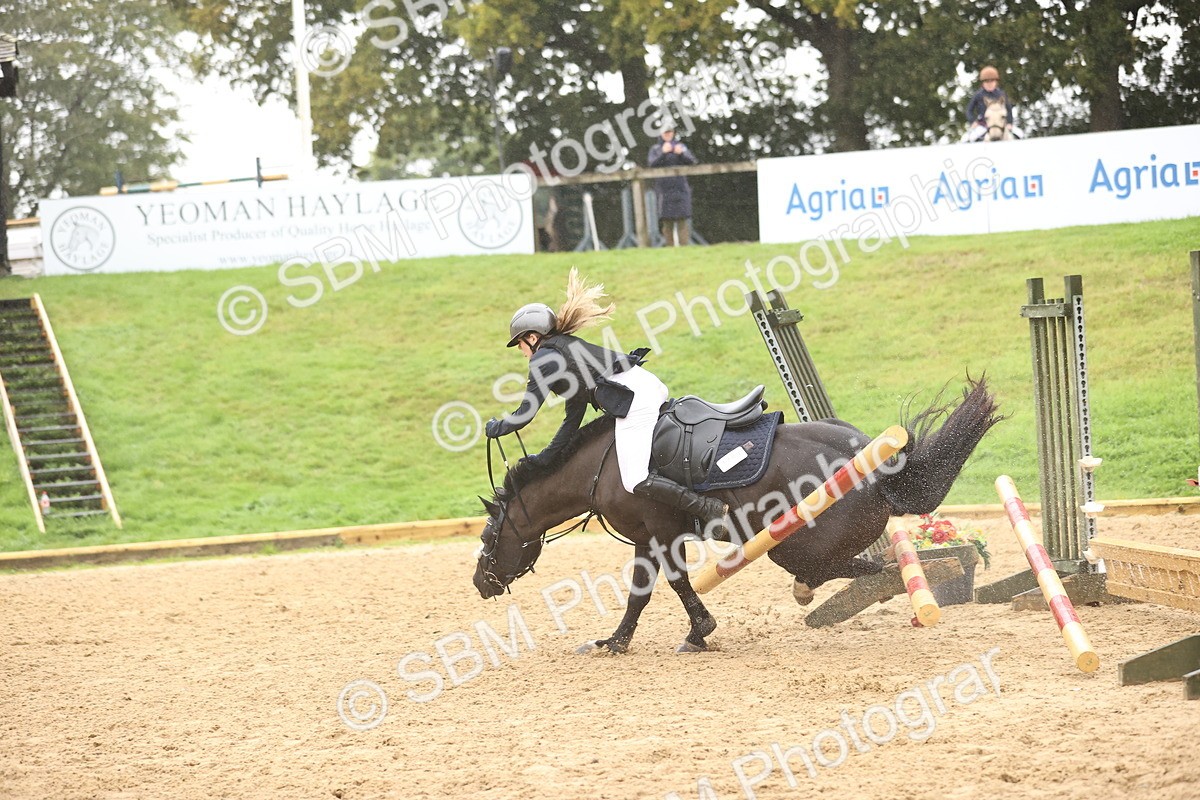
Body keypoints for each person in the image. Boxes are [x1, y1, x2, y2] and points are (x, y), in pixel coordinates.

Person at [484, 269, 728, 531]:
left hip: (636, 400)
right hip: (643, 387)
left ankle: (708, 508)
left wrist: (496, 428)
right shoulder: (564, 351)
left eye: (520, 344)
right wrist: (546, 458)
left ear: (532, 337)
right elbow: (572, 418)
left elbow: (525, 412)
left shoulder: (545, 359)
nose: (522, 352)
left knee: (634, 479)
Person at [647, 123, 697, 246]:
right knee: (667, 221)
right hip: (664, 190)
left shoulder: (681, 147)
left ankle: (684, 247)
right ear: (661, 134)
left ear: (673, 133)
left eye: (670, 132)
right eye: (665, 132)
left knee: (682, 220)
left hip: (680, 188)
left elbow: (692, 162)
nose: (668, 134)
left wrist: (681, 154)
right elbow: (651, 165)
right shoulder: (655, 149)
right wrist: (663, 154)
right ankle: (670, 248)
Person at [966, 65, 1013, 141]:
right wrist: (973, 121)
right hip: (983, 125)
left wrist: (1010, 123)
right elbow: (969, 110)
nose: (989, 83)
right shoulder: (978, 95)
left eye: (992, 81)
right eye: (987, 81)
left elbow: (1009, 109)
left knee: (1020, 134)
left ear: (996, 82)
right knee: (969, 138)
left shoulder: (1001, 94)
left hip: (1001, 125)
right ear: (983, 83)